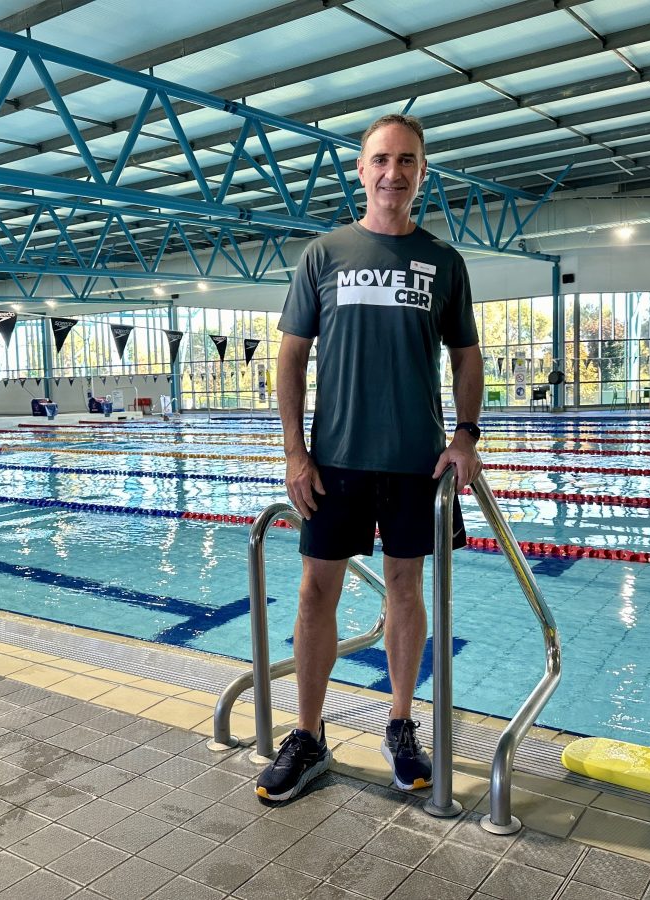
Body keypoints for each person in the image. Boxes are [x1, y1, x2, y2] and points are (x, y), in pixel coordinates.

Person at [257, 114, 484, 803]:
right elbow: (291, 356)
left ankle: (400, 723)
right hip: (336, 463)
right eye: (381, 159)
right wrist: (296, 454)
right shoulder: (324, 255)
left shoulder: (445, 262)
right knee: (314, 593)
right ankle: (307, 735)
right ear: (361, 171)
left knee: (406, 593)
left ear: (422, 172)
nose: (393, 172)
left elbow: (467, 355)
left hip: (418, 464)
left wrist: (466, 436)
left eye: (407, 160)